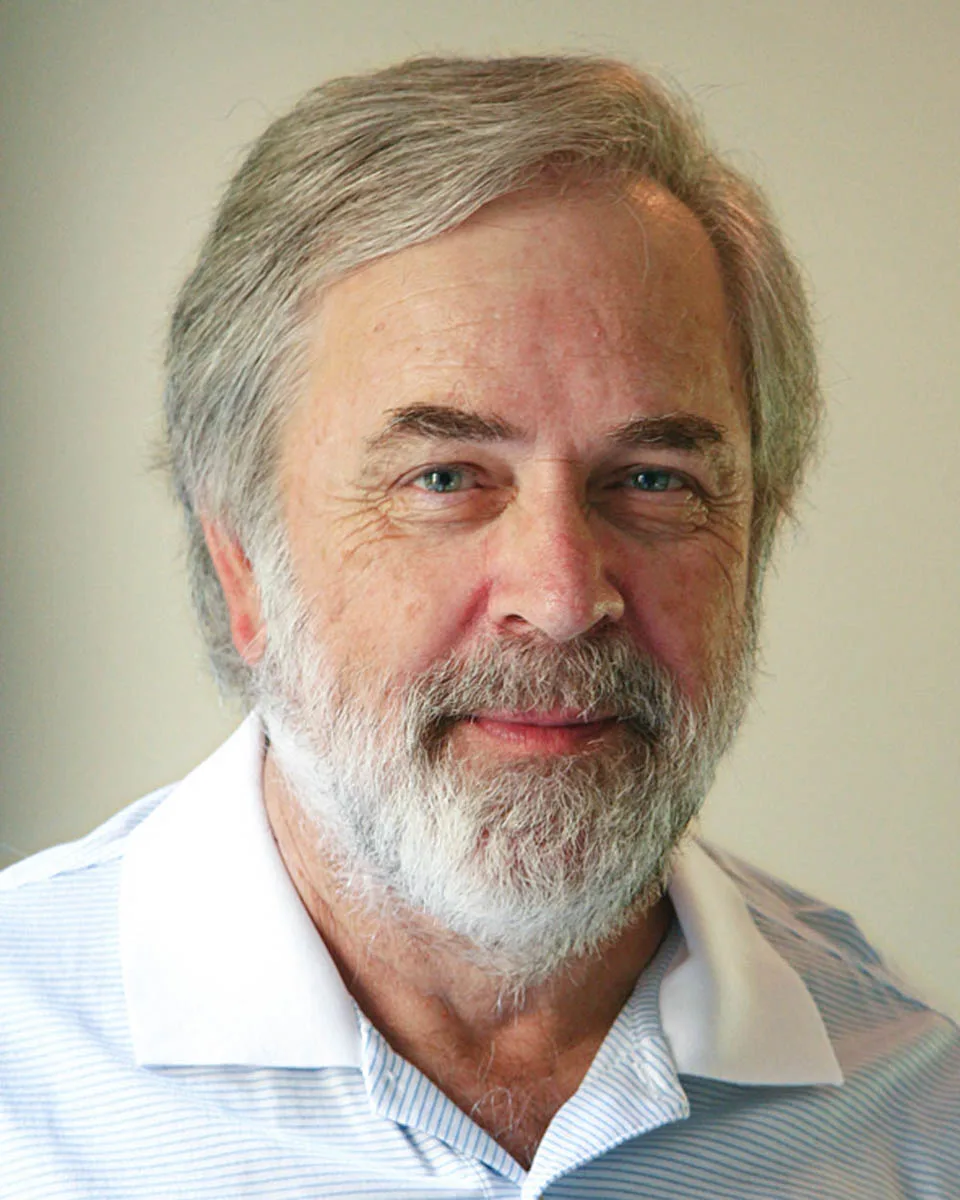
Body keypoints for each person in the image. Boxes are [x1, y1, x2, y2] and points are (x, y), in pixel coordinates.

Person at [1, 55, 956, 1199]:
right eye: (446, 476)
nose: (560, 598)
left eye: (652, 480)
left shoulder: (914, 1107)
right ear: (240, 561)